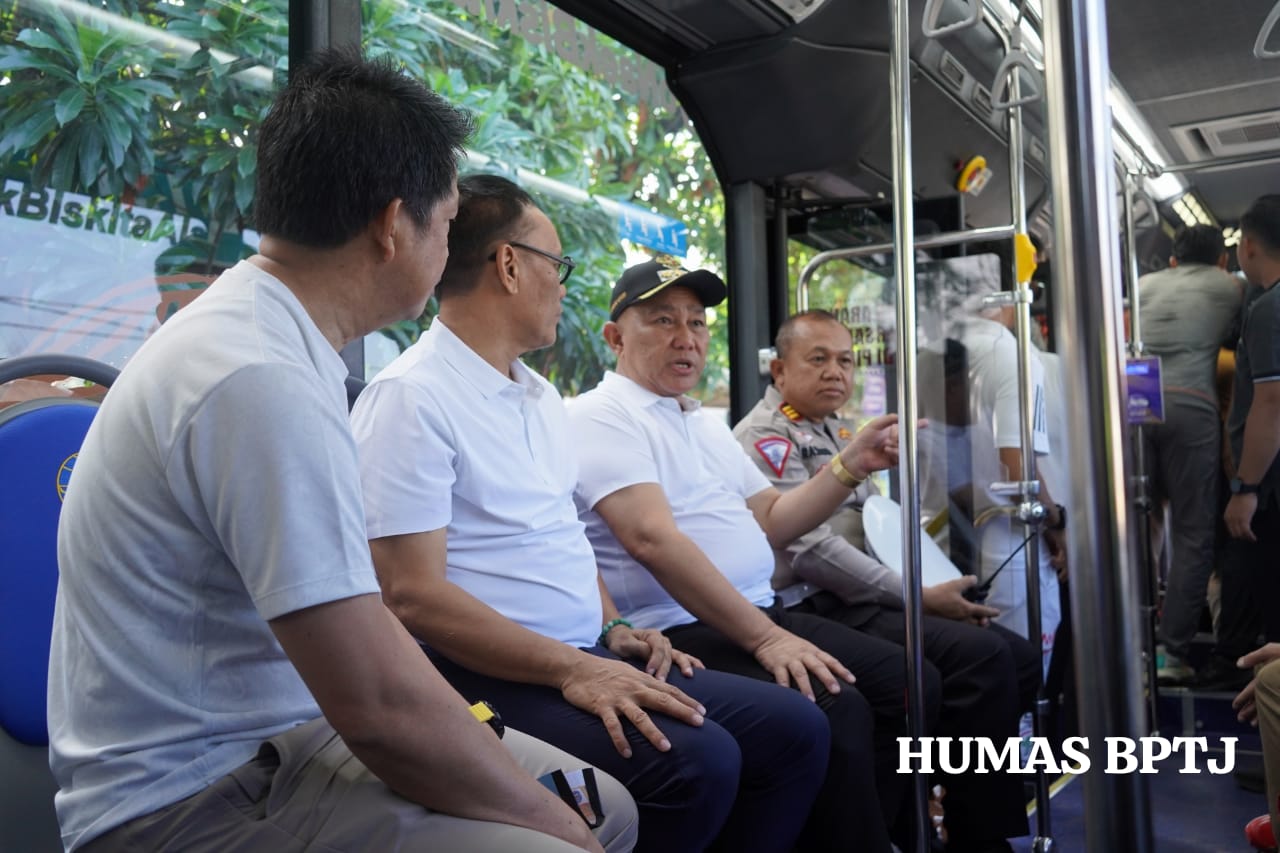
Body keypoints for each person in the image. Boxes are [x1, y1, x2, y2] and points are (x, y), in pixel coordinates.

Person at [47, 50, 635, 853]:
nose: (450, 248)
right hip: (191, 794)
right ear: (395, 225)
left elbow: (360, 624)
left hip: (284, 734)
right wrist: (550, 820)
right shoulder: (259, 376)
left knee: (609, 805)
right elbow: (375, 703)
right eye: (447, 220)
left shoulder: (277, 337)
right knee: (567, 835)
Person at [348, 174, 830, 853]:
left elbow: (563, 535)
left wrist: (615, 625)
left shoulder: (540, 396)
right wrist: (573, 668)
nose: (564, 285)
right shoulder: (411, 398)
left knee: (794, 728)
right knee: (698, 762)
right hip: (481, 674)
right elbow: (410, 595)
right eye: (558, 264)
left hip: (584, 647)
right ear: (510, 266)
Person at [568, 258, 939, 853]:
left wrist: (853, 465)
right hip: (679, 629)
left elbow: (773, 519)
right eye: (663, 321)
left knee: (906, 680)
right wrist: (766, 640)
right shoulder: (600, 415)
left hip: (755, 609)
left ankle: (882, 833)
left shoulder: (704, 423)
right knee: (835, 707)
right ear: (615, 337)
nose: (686, 338)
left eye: (696, 322)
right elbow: (651, 541)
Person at [734, 309, 1040, 851]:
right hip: (816, 602)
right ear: (778, 372)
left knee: (1017, 657)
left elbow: (875, 524)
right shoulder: (764, 437)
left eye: (846, 361)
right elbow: (809, 548)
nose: (836, 372)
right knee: (978, 661)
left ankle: (942, 797)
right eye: (819, 359)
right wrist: (916, 597)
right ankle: (970, 835)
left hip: (859, 595)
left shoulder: (838, 429)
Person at [1135, 225, 1244, 684]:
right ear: (1222, 259)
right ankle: (1170, 653)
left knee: (1141, 522)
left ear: (1174, 259)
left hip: (1133, 396)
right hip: (1190, 398)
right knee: (1194, 531)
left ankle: (1133, 642)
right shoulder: (1230, 285)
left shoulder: (1143, 284)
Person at [954, 248, 1066, 671]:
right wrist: (1057, 522)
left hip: (960, 535)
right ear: (1009, 295)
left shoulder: (939, 353)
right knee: (1024, 673)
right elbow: (1018, 467)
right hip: (1013, 542)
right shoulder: (1015, 356)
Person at [1208, 196, 1280, 688]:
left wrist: (1244, 489)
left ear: (1248, 246)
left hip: (1273, 485)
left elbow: (1271, 403)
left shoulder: (1268, 308)